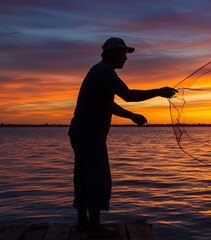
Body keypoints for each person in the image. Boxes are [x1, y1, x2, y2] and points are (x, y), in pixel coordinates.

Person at [68, 37, 177, 238]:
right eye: (122, 53)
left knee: (84, 175)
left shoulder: (100, 72)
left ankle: (83, 222)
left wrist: (131, 116)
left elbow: (110, 105)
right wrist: (159, 91)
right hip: (90, 132)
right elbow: (128, 95)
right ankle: (94, 227)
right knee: (96, 176)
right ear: (110, 53)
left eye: (126, 54)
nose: (125, 58)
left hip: (82, 130)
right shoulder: (104, 72)